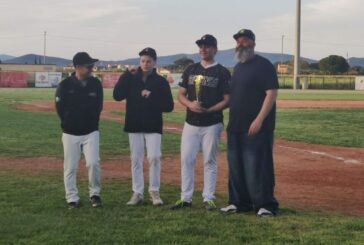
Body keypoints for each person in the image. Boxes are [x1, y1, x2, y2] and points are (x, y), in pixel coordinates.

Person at [220, 29, 279, 217]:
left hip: (256, 126)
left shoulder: (264, 65)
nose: (240, 44)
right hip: (236, 125)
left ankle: (266, 205)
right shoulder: (238, 67)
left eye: (244, 40)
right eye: (238, 41)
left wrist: (259, 119)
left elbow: (271, 93)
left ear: (253, 43)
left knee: (258, 167)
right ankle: (239, 202)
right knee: (236, 167)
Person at [171, 35, 230, 211]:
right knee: (186, 160)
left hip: (212, 123)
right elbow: (181, 94)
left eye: (207, 46)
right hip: (191, 122)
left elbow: (228, 99)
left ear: (215, 49)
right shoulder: (190, 69)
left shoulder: (222, 71)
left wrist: (208, 110)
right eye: (201, 46)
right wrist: (190, 105)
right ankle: (186, 198)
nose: (203, 49)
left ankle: (208, 198)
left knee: (209, 161)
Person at [113, 47, 174, 206]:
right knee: (136, 159)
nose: (145, 64)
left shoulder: (160, 81)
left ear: (154, 63)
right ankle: (137, 192)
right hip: (134, 124)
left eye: (149, 61)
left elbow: (169, 106)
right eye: (143, 61)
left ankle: (154, 191)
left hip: (153, 125)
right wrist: (126, 75)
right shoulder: (131, 78)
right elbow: (117, 96)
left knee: (154, 157)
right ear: (139, 62)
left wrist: (152, 97)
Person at [55, 52, 103, 209]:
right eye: (89, 66)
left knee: (93, 163)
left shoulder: (96, 83)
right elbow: (59, 108)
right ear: (77, 67)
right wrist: (68, 122)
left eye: (92, 66)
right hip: (70, 132)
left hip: (91, 131)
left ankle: (94, 194)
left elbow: (99, 106)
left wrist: (92, 121)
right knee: (70, 166)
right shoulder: (65, 85)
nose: (92, 68)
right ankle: (72, 198)